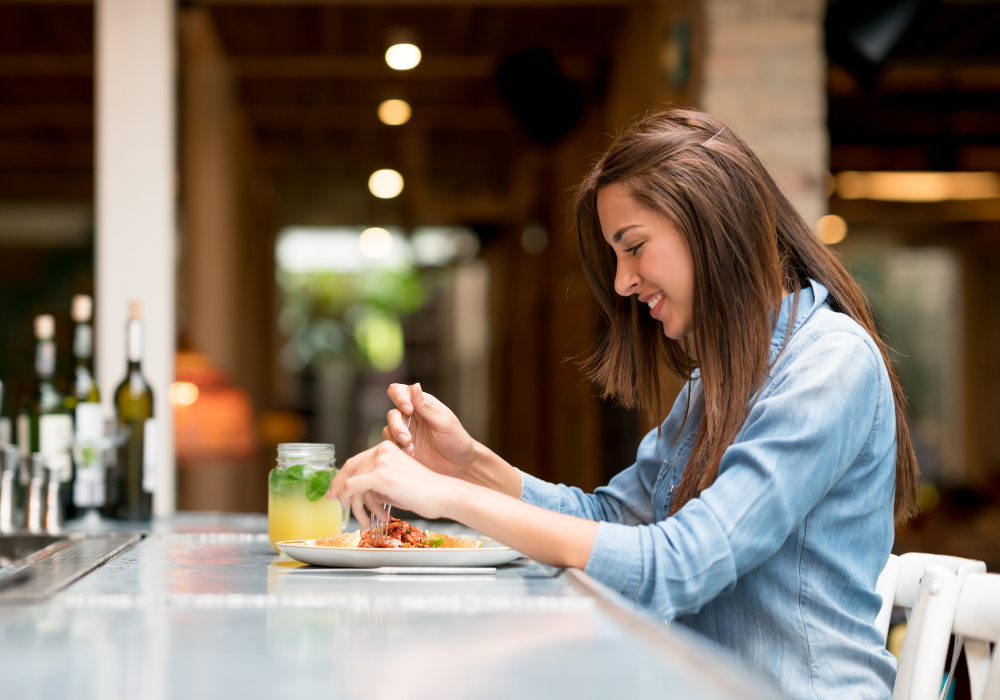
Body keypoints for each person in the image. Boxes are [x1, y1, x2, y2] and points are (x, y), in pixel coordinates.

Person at [327, 109, 919, 700]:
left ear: (710, 219)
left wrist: (448, 499)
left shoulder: (828, 363)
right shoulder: (723, 377)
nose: (622, 283)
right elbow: (613, 521)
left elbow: (679, 565)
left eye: (633, 247)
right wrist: (468, 466)